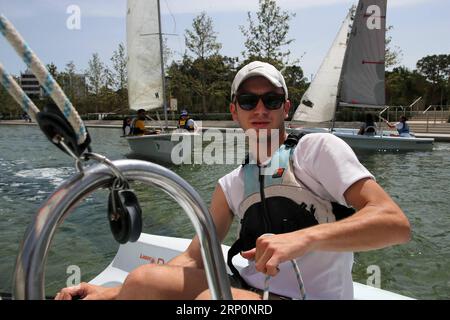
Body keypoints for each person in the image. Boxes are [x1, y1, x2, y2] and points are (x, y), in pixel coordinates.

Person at [55, 61, 411, 300]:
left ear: (285, 108)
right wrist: (114, 294)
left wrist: (301, 240)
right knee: (141, 279)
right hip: (249, 290)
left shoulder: (318, 150)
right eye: (248, 100)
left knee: (213, 301)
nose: (260, 109)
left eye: (271, 100)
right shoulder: (231, 184)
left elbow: (393, 224)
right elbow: (195, 258)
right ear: (234, 110)